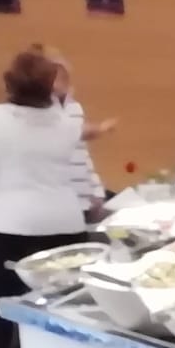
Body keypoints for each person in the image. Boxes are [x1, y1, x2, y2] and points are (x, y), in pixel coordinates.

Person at [0, 48, 111, 348]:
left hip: (13, 224)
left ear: (9, 83)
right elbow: (84, 134)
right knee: (67, 303)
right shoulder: (65, 124)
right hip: (66, 222)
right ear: (49, 86)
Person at [33, 44, 114, 222]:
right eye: (54, 73)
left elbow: (82, 153)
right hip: (53, 204)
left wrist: (96, 190)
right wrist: (98, 129)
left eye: (63, 74)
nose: (61, 78)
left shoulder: (74, 107)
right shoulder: (35, 112)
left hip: (83, 201)